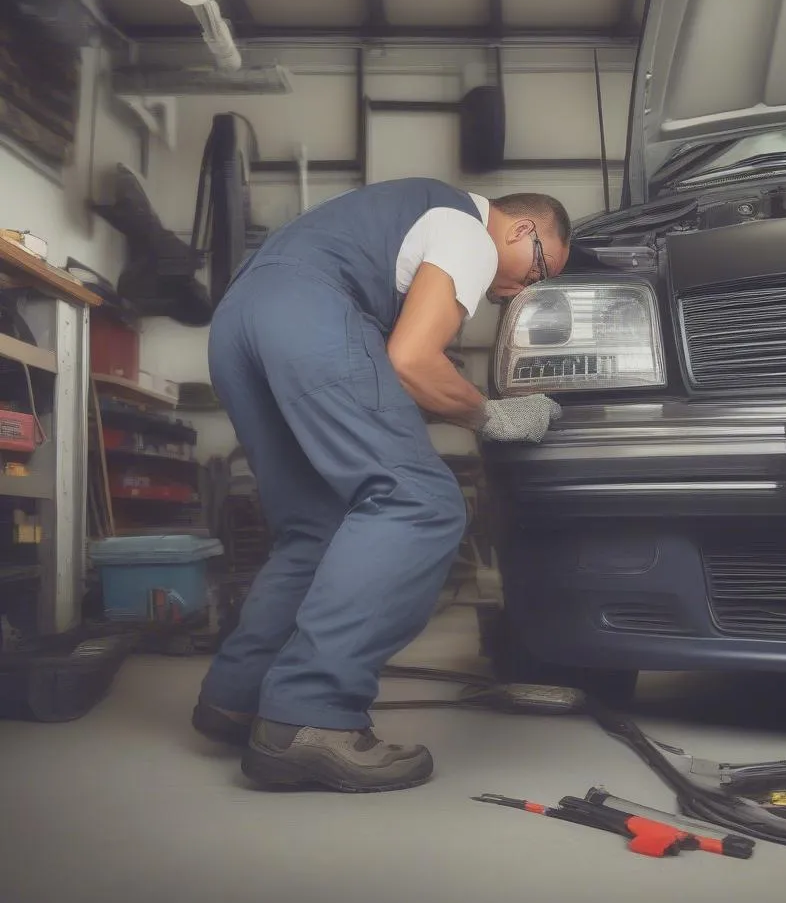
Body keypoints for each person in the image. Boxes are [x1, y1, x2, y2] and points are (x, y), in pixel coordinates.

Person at [191, 177, 571, 792]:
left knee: (315, 526)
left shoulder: (400, 216)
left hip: (239, 324)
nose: (529, 289)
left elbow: (380, 380)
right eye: (540, 270)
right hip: (309, 313)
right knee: (419, 501)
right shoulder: (469, 231)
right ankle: (308, 718)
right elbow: (412, 361)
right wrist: (491, 414)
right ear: (523, 229)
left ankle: (234, 696)